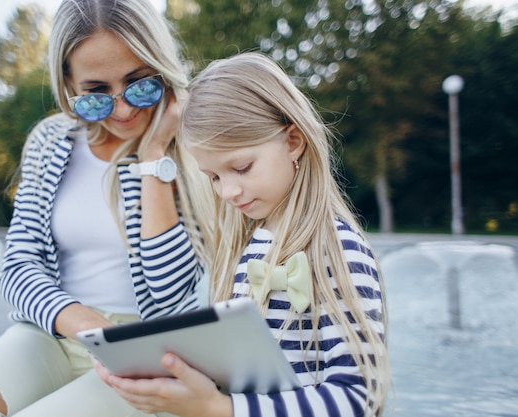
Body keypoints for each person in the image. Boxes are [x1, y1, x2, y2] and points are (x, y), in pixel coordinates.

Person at [0, 0, 213, 416]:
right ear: (68, 83)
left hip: (150, 348)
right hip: (55, 333)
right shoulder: (51, 142)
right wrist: (89, 327)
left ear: (160, 66)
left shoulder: (195, 146)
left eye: (140, 84)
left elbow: (172, 297)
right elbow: (18, 266)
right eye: (96, 95)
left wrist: (154, 159)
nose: (125, 109)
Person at [96, 52, 391, 417]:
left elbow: (358, 397)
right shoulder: (251, 245)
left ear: (294, 141)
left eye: (241, 167)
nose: (227, 192)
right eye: (215, 177)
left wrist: (219, 408)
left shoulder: (338, 248)